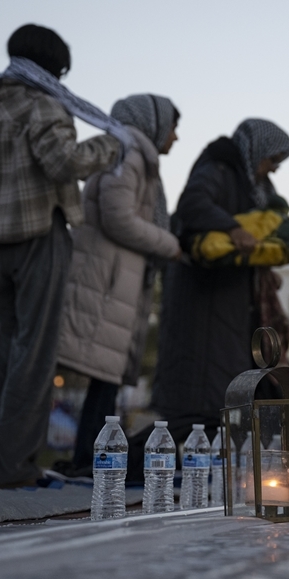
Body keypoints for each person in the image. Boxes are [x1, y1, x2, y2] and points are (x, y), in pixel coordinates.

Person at [0, 24, 129, 487]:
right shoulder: (41, 104)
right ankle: (12, 469)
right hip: (38, 236)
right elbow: (64, 162)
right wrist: (114, 143)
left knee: (1, 358)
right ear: (54, 68)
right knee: (34, 358)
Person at [126, 119, 289, 478]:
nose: (274, 169)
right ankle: (128, 464)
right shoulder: (218, 168)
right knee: (197, 402)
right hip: (201, 300)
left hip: (231, 301)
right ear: (256, 151)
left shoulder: (254, 183)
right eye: (271, 160)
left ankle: (218, 474)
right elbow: (193, 207)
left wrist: (261, 268)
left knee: (225, 396)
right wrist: (231, 230)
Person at [55, 94, 183, 476]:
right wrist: (170, 244)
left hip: (116, 279)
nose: (175, 138)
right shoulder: (127, 155)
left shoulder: (133, 156)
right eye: (173, 127)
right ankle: (84, 461)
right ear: (153, 123)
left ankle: (88, 459)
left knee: (105, 379)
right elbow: (117, 217)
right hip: (107, 280)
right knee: (101, 378)